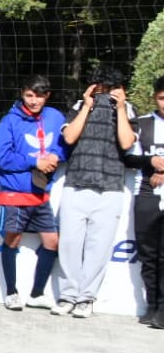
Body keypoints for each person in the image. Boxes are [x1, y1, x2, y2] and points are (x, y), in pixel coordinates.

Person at [54, 66, 136, 317]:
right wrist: (87, 106)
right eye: (100, 87)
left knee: (98, 248)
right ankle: (68, 295)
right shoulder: (80, 105)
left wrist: (120, 108)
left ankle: (86, 298)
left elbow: (126, 142)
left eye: (109, 88)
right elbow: (69, 137)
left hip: (110, 189)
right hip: (76, 184)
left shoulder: (127, 109)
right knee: (69, 245)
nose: (104, 93)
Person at [0, 78, 67, 311]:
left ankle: (37, 294)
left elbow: (67, 142)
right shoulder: (9, 121)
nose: (34, 101)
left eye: (39, 96)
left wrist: (57, 155)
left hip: (41, 194)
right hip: (15, 193)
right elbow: (2, 157)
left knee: (52, 242)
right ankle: (11, 293)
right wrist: (35, 161)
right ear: (22, 94)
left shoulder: (55, 117)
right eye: (29, 96)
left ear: (47, 96)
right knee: (12, 240)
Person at [123, 75, 164, 327]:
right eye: (162, 98)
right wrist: (150, 161)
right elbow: (128, 158)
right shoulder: (144, 123)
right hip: (147, 194)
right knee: (148, 254)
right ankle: (152, 306)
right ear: (154, 98)